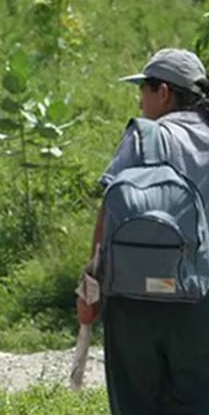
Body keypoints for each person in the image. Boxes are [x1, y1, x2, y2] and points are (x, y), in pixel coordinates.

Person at [77, 48, 209, 414]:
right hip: (200, 300)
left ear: (164, 92)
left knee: (135, 403)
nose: (140, 101)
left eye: (144, 90)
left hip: (134, 299)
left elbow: (108, 214)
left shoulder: (146, 137)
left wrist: (90, 286)